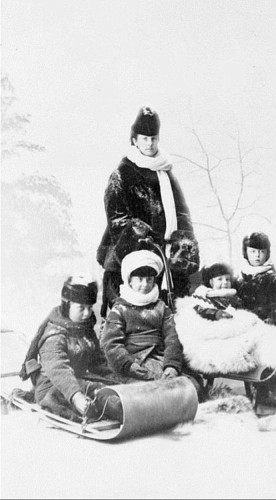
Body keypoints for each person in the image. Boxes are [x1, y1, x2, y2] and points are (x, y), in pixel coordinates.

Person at [97, 106, 199, 318]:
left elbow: (182, 214)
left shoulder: (165, 172)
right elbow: (117, 218)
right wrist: (142, 239)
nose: (149, 144)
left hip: (167, 253)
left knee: (170, 311)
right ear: (134, 140)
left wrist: (184, 244)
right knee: (131, 314)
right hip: (132, 253)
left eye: (153, 139)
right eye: (144, 139)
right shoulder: (122, 174)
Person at [19, 276, 122, 423]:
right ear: (67, 305)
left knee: (109, 388)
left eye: (89, 308)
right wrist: (76, 396)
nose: (87, 313)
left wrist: (117, 379)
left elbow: (98, 362)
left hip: (75, 381)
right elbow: (58, 369)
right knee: (96, 392)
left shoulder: (84, 329)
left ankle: (124, 406)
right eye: (81, 308)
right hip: (53, 386)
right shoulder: (54, 334)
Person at [100, 250, 203, 396]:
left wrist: (171, 365)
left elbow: (172, 338)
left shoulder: (161, 307)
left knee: (190, 386)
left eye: (149, 280)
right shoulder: (119, 309)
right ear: (129, 281)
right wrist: (128, 365)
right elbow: (111, 343)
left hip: (160, 359)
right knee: (144, 392)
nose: (145, 284)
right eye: (140, 279)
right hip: (133, 362)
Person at [236, 232, 276, 327]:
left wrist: (273, 317)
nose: (257, 256)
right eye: (253, 251)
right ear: (246, 252)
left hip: (271, 323)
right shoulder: (241, 278)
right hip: (247, 322)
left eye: (262, 252)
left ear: (267, 253)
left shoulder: (272, 278)